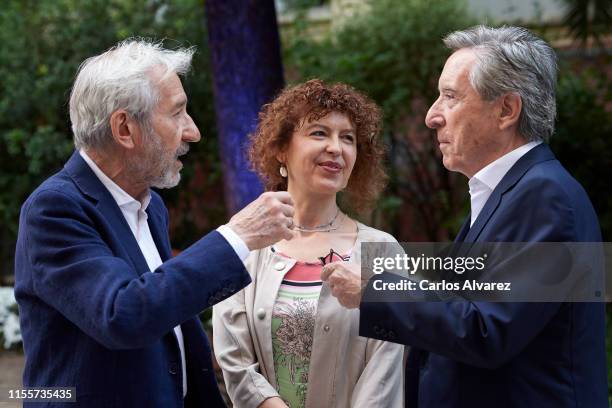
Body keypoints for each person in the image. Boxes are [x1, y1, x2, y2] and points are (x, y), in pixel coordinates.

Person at [322, 26, 607, 407]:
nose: (431, 116)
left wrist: (377, 289)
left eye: (450, 97)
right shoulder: (509, 193)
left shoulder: (544, 195)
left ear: (506, 109)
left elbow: (487, 330)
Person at [14, 39, 296, 408]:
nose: (193, 131)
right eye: (177, 113)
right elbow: (125, 314)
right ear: (125, 130)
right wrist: (236, 235)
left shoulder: (151, 205)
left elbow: (168, 319)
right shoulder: (53, 209)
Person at [213, 79, 404, 408]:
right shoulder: (245, 245)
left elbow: (386, 370)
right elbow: (235, 361)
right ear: (281, 149)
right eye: (319, 133)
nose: (336, 147)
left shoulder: (383, 250)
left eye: (348, 138)